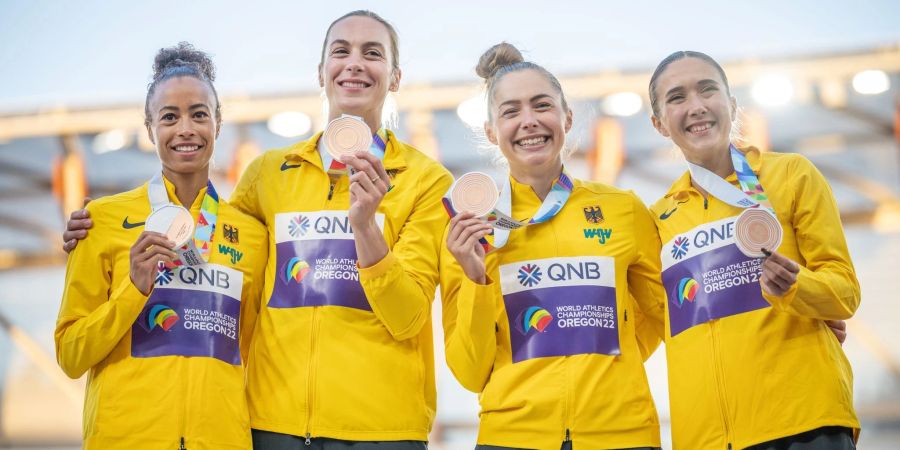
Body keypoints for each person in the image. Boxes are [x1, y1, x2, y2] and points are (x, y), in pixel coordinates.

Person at [440, 42, 666, 450]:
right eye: (511, 111)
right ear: (492, 131)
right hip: (512, 437)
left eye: (541, 105)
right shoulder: (471, 228)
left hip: (621, 434)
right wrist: (475, 278)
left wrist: (607, 371)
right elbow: (470, 373)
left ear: (566, 117)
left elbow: (661, 319)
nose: (528, 121)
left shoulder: (623, 211)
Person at [55, 42, 267, 449]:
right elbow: (70, 356)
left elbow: (255, 352)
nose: (185, 128)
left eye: (199, 114)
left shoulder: (253, 235)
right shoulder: (101, 220)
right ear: (150, 127)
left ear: (218, 123)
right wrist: (133, 289)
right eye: (169, 117)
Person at [647, 50, 860, 450]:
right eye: (677, 97)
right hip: (706, 437)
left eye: (708, 90)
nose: (696, 106)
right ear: (659, 124)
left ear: (731, 104)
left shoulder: (791, 175)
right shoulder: (658, 219)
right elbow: (647, 320)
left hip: (803, 423)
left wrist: (797, 288)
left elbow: (845, 291)